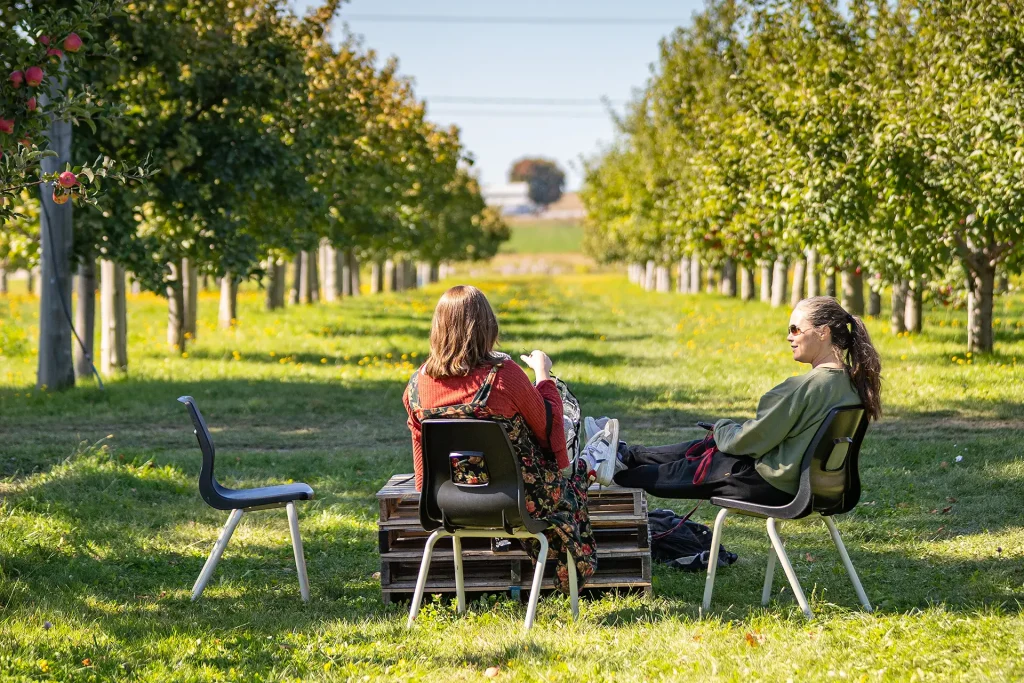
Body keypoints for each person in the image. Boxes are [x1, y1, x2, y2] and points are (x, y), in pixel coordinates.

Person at [402, 285, 620, 592]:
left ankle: (592, 461)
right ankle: (592, 462)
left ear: (437, 329)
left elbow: (421, 466)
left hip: (449, 504)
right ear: (487, 327)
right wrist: (543, 374)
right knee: (570, 473)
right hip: (520, 500)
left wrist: (439, 495)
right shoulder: (504, 375)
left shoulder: (416, 386)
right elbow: (548, 430)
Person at [611, 296, 882, 504]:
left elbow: (750, 441)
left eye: (795, 329)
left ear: (823, 332)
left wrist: (723, 428)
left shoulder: (806, 387)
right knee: (708, 446)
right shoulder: (853, 384)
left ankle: (613, 472)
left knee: (694, 464)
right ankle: (626, 455)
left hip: (771, 484)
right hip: (822, 489)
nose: (789, 336)